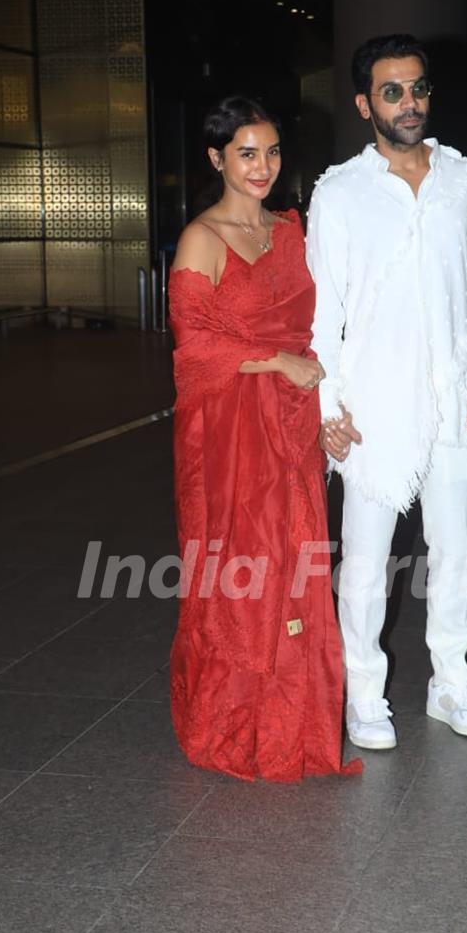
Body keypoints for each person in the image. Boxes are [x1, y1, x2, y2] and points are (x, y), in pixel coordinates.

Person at [306, 34, 467, 751]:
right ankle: (363, 693)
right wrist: (327, 408)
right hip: (371, 409)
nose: (409, 103)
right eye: (392, 91)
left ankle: (451, 683)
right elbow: (322, 313)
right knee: (365, 564)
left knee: (456, 553)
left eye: (419, 88)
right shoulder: (338, 192)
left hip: (455, 399)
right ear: (364, 102)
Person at [168, 95, 361, 781]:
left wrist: (328, 400)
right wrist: (279, 361)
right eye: (247, 152)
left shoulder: (290, 232)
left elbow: (328, 322)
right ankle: (231, 723)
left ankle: (293, 722)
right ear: (216, 157)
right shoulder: (202, 237)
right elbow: (194, 347)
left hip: (290, 422)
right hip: (227, 432)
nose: (262, 166)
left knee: (295, 564)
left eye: (273, 152)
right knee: (240, 571)